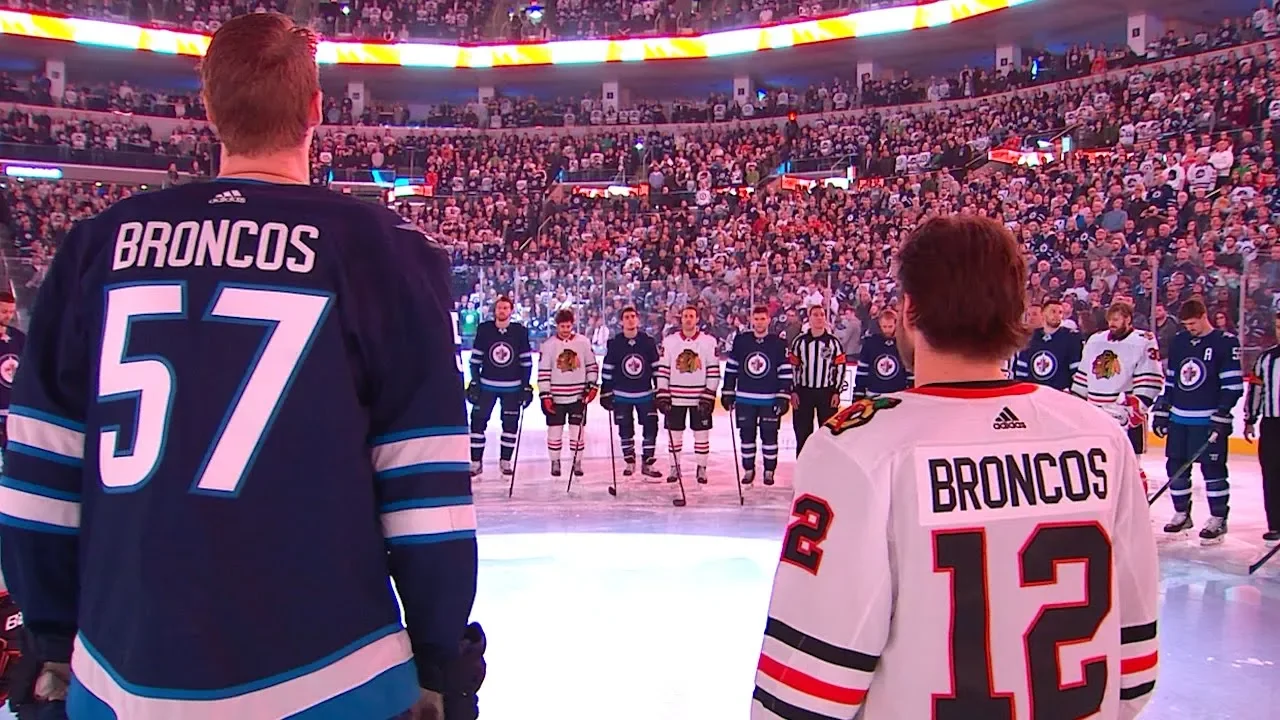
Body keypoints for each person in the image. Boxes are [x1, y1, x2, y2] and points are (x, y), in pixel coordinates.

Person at [0, 13, 484, 720]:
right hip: (331, 672)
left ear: (208, 109)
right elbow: (424, 483)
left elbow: (41, 470)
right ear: (316, 110)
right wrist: (441, 654)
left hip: (120, 666)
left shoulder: (94, 247)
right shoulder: (382, 250)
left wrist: (49, 641)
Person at [751, 216, 1158, 720]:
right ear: (1018, 310)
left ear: (909, 308)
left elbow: (804, 692)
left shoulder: (855, 449)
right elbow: (1135, 671)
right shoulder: (1100, 437)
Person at [1152, 298, 1244, 544]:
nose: (1190, 328)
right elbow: (1172, 380)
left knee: (1212, 470)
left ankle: (1218, 518)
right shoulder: (1180, 341)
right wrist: (1163, 408)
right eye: (1186, 324)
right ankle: (1182, 513)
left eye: (1193, 323)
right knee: (1176, 467)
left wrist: (1223, 412)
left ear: (1204, 316)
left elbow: (1233, 385)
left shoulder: (1225, 343)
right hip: (1180, 419)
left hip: (1207, 420)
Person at [1072, 302, 1164, 488]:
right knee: (1098, 462)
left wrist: (1138, 405)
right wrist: (1077, 401)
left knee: (1131, 464)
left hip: (1125, 412)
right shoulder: (1096, 340)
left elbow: (1151, 377)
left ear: (1128, 319)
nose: (1111, 324)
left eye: (1116, 319)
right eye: (1109, 320)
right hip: (1096, 411)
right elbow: (1084, 375)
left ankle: (1137, 506)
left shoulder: (1142, 340)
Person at [722, 306, 793, 486]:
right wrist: (728, 391)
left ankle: (769, 470)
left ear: (768, 320)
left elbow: (784, 370)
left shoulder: (777, 343)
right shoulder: (741, 341)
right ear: (751, 320)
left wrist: (783, 395)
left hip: (769, 398)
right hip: (745, 398)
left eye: (763, 318)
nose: (759, 322)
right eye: (756, 318)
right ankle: (748, 469)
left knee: (769, 435)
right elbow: (732, 368)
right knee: (746, 435)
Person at [467, 296, 533, 478]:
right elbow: (475, 361)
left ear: (511, 310)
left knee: (510, 425)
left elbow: (526, 362)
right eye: (499, 308)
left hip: (512, 388)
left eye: (505, 308)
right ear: (495, 311)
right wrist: (475, 381)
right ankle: (475, 462)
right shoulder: (485, 330)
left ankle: (505, 461)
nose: (502, 311)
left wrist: (525, 385)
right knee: (478, 423)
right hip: (487, 386)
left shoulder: (519, 332)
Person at [656, 305, 720, 484]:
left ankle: (701, 468)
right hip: (675, 396)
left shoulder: (709, 342)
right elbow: (663, 370)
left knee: (701, 434)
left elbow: (713, 370)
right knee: (674, 434)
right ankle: (674, 467)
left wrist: (709, 394)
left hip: (700, 396)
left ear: (697, 319)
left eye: (692, 316)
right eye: (685, 316)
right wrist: (662, 393)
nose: (688, 319)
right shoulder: (669, 341)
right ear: (681, 319)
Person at [600, 306, 663, 480]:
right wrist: (605, 391)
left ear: (638, 320)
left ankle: (647, 461)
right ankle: (629, 461)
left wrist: (660, 389)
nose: (630, 319)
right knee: (625, 428)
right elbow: (607, 369)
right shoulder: (615, 343)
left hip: (645, 393)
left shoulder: (647, 342)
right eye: (626, 317)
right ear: (621, 322)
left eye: (632, 316)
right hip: (622, 395)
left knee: (651, 426)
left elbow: (656, 367)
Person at [537, 308, 598, 477]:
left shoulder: (583, 343)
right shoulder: (548, 345)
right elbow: (543, 371)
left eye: (568, 326)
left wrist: (592, 385)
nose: (565, 330)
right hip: (556, 396)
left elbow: (591, 366)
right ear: (557, 326)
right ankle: (555, 461)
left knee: (577, 431)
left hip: (578, 396)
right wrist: (545, 395)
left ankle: (577, 461)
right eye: (562, 326)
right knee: (554, 430)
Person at [789, 305, 847, 453]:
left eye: (822, 314)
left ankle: (825, 468)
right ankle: (803, 468)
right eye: (815, 315)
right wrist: (793, 391)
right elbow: (793, 368)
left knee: (828, 434)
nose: (819, 317)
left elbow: (840, 367)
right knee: (802, 433)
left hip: (826, 393)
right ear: (809, 318)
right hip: (804, 392)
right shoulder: (799, 342)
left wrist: (836, 392)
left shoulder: (833, 342)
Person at [1245, 312, 1280, 544]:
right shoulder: (1266, 359)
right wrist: (1249, 418)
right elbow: (1256, 390)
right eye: (1278, 326)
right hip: (1272, 425)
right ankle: (1276, 524)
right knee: (1272, 474)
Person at [1015, 297, 1083, 391]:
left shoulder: (1071, 337)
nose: (1057, 315)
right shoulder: (1030, 337)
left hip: (1059, 394)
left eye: (1060, 312)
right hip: (1034, 394)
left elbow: (1075, 370)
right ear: (1043, 314)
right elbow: (1021, 371)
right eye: (1053, 311)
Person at [852, 308, 910, 397]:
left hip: (898, 395)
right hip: (874, 395)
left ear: (896, 324)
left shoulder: (903, 343)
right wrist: (858, 394)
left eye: (890, 326)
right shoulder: (870, 343)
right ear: (879, 325)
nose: (887, 330)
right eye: (884, 326)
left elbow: (909, 370)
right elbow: (862, 371)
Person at [0, 290, 26, 456]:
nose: (8, 316)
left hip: (12, 410)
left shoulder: (18, 337)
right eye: (4, 311)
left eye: (11, 311)